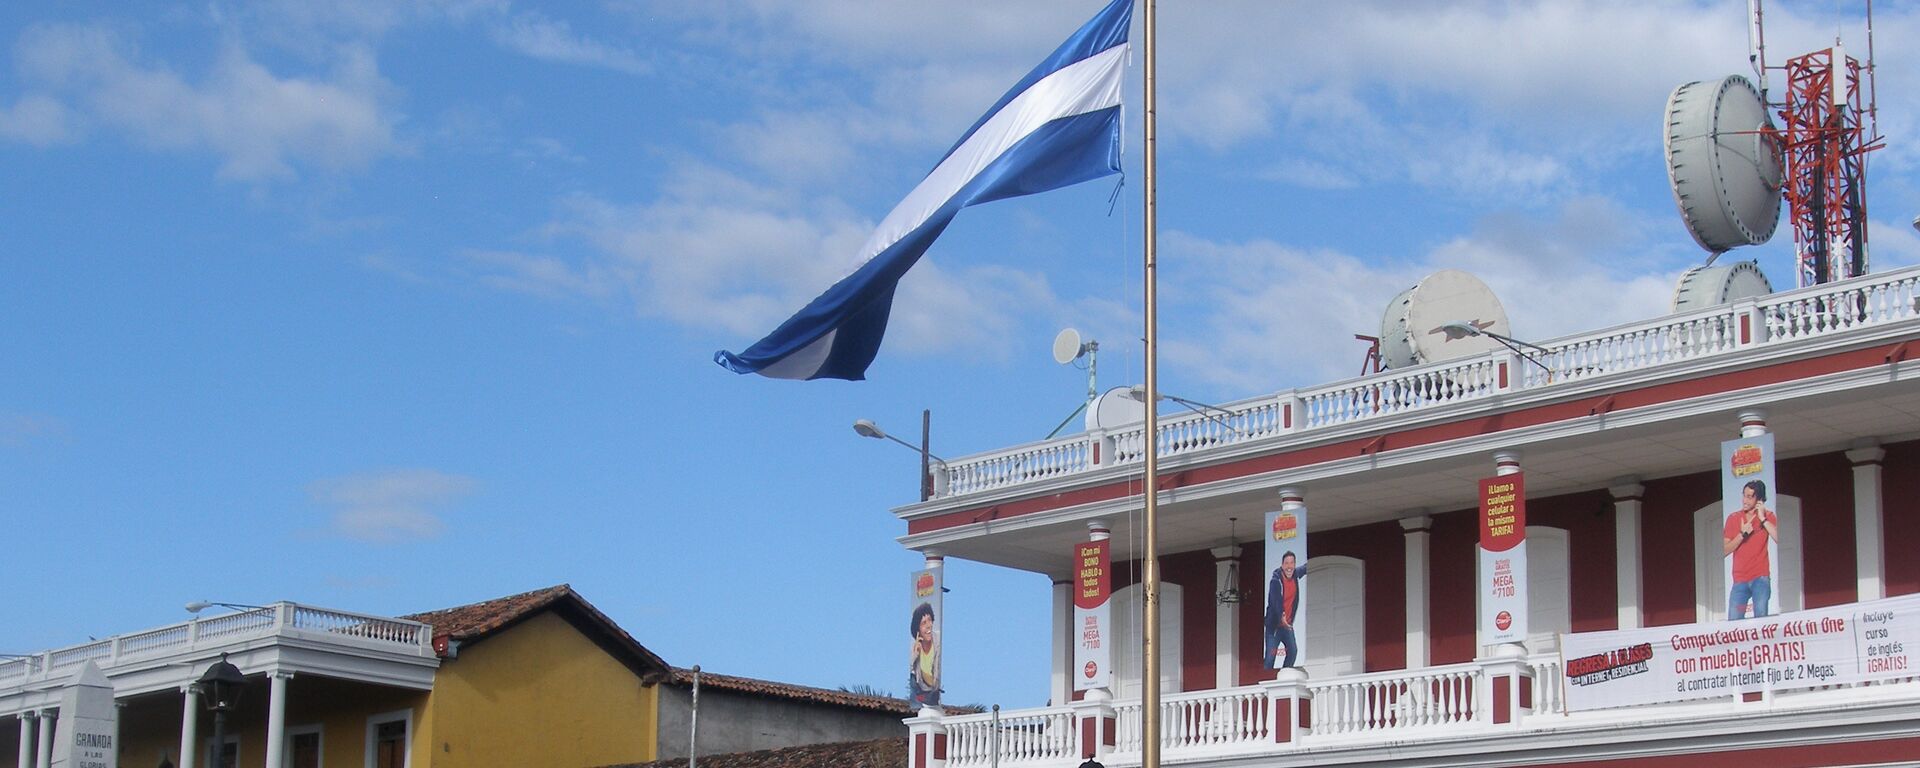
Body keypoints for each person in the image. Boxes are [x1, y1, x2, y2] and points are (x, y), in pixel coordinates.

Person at [1723, 479, 1781, 619]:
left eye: (1750, 497)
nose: (1745, 500)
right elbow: (1725, 550)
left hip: (1760, 579)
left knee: (1761, 619)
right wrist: (1742, 534)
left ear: (1759, 499)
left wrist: (1762, 518)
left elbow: (1778, 538)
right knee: (1734, 621)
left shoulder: (1769, 516)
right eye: (1744, 495)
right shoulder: (1733, 518)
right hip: (1739, 581)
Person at [1263, 551, 1304, 668]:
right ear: (1282, 565)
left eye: (1292, 563)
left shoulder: (1295, 574)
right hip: (1274, 626)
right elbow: (1275, 601)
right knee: (1271, 656)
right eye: (1286, 563)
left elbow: (1304, 569)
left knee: (1293, 651)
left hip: (1287, 626)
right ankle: (1268, 680)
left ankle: (1285, 673)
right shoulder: (1275, 581)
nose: (1289, 566)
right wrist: (1281, 616)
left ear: (1295, 565)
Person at [908, 602, 941, 706]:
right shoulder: (915, 647)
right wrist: (915, 654)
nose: (928, 626)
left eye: (930, 620)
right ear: (917, 629)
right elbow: (911, 670)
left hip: (934, 692)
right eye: (923, 623)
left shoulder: (938, 641)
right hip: (921, 692)